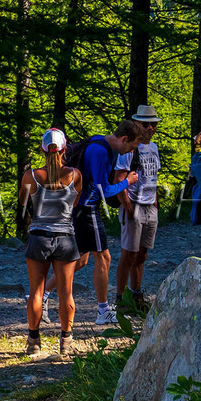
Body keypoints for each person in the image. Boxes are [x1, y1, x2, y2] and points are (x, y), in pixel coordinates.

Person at [18, 125, 83, 358]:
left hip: (38, 237)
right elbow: (74, 203)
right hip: (66, 237)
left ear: (42, 150)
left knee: (36, 290)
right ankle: (66, 340)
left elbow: (23, 201)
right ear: (65, 148)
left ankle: (33, 340)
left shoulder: (31, 176)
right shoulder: (74, 175)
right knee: (66, 293)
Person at [75, 120, 138, 329]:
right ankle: (103, 311)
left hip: (82, 208)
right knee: (104, 257)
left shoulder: (99, 143)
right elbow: (104, 191)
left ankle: (43, 294)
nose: (130, 152)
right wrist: (127, 182)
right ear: (124, 139)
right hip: (87, 208)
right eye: (131, 147)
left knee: (80, 261)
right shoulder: (101, 151)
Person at [116, 103, 162, 322]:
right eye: (146, 124)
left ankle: (136, 294)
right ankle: (120, 297)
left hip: (149, 205)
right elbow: (119, 178)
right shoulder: (129, 149)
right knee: (128, 253)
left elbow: (153, 177)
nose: (150, 128)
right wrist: (126, 203)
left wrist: (155, 203)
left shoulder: (153, 147)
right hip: (133, 205)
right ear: (137, 124)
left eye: (153, 124)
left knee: (142, 254)